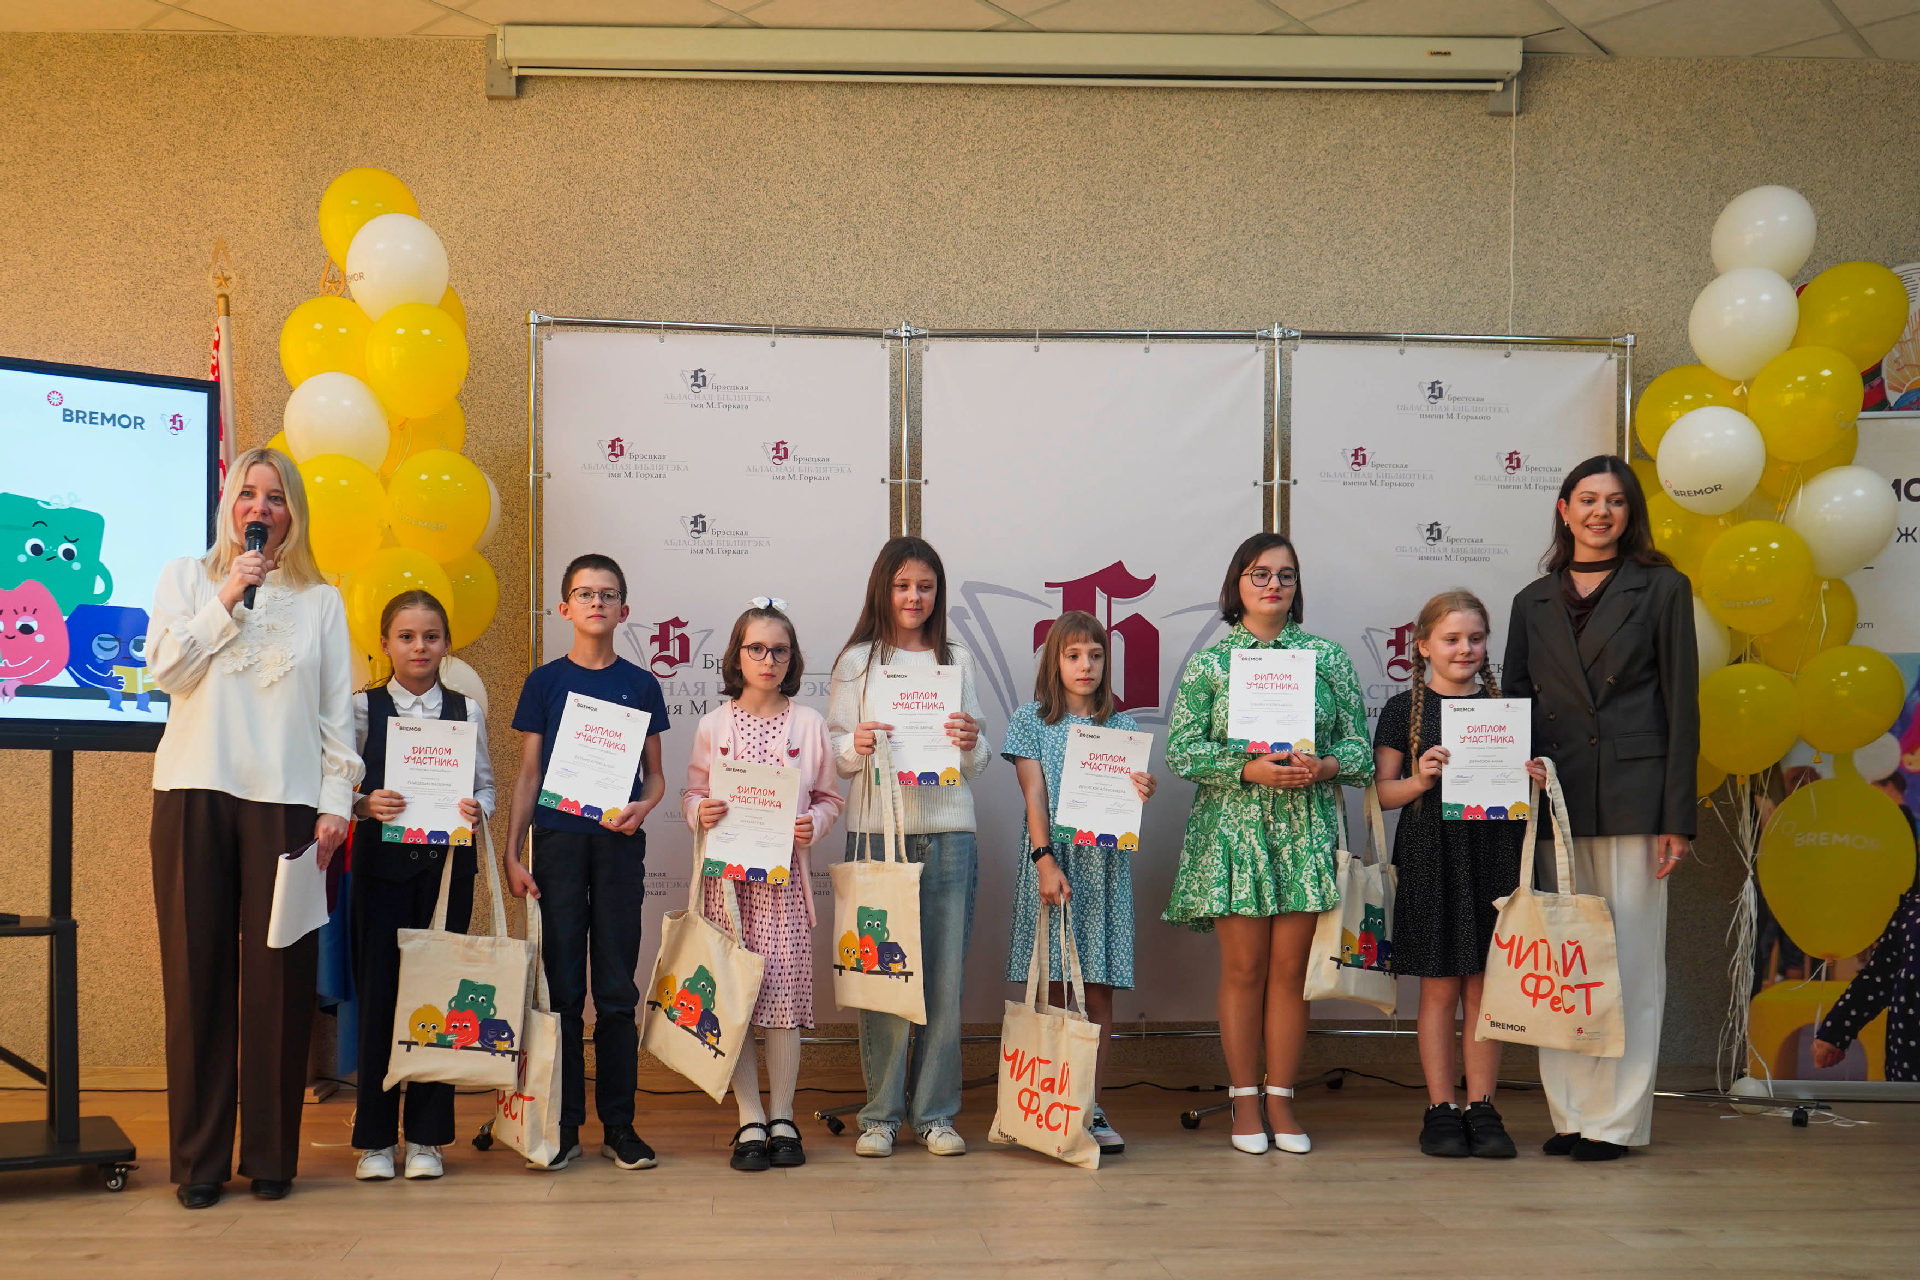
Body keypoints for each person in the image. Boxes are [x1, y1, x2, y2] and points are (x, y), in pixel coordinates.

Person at [147, 446, 360, 1210]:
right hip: (193, 792)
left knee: (280, 983)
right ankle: (199, 1163)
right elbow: (166, 671)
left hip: (287, 804)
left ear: (292, 513)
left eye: (275, 497)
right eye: (248, 494)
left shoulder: (323, 602)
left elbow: (337, 719)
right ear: (229, 506)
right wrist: (229, 594)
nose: (260, 509)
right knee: (195, 978)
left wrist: (336, 804)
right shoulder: (186, 578)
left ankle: (270, 1156)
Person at [1504, 455, 1697, 1161]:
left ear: (1629, 512)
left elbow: (1683, 705)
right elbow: (1516, 702)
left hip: (1636, 798)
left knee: (1631, 962)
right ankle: (1571, 1113)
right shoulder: (1531, 600)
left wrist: (1678, 818)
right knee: (1562, 962)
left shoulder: (1663, 587)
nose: (1600, 513)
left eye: (1614, 501)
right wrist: (1513, 778)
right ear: (1564, 509)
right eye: (1587, 499)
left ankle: (1615, 1121)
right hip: (1556, 799)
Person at [1165, 532, 1373, 1155]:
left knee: (1290, 973)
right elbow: (1181, 751)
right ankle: (1244, 1101)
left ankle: (1281, 1098)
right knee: (1244, 970)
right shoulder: (1211, 663)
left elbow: (1359, 748)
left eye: (1285, 574)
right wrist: (1247, 769)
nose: (1273, 585)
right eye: (1259, 573)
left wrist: (1326, 766)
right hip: (1233, 832)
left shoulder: (1327, 658)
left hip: (1305, 831)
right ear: (1237, 584)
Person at [502, 553, 669, 1172]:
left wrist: (644, 807)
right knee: (565, 990)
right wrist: (512, 852)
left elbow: (656, 777)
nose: (597, 602)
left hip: (618, 844)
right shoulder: (544, 682)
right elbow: (529, 775)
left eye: (608, 594)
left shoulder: (641, 685)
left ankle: (620, 1126)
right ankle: (566, 1123)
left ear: (624, 610)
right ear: (564, 607)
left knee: (618, 990)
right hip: (558, 846)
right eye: (585, 593)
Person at [827, 536, 992, 1158]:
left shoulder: (957, 658)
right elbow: (836, 754)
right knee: (881, 975)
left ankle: (936, 1115)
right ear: (883, 589)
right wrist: (857, 744)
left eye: (925, 586)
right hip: (878, 830)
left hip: (949, 830)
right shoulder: (858, 662)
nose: (913, 597)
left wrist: (970, 740)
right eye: (902, 586)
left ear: (937, 593)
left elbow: (976, 760)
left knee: (944, 981)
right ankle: (880, 1116)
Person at [683, 600, 845, 1171]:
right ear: (737, 656)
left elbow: (829, 798)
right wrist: (699, 811)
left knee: (782, 1000)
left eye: (780, 650)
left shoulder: (809, 723)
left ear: (792, 659)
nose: (768, 659)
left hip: (783, 886)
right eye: (756, 648)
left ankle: (783, 1118)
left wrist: (813, 823)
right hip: (726, 887)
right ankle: (749, 1116)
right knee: (734, 1001)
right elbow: (693, 792)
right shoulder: (714, 724)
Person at [348, 590, 495, 1183]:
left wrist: (477, 809)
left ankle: (428, 1139)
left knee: (440, 997)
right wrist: (363, 803)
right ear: (385, 644)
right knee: (380, 997)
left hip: (446, 874)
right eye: (406, 637)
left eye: (430, 636)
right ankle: (375, 1140)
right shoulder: (362, 708)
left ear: (447, 644)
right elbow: (336, 785)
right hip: (380, 872)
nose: (419, 647)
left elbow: (485, 785)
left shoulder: (466, 710)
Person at [1371, 590, 1523, 1159]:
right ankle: (1440, 1108)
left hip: (1494, 857)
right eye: (1452, 639)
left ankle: (1483, 1107)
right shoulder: (1401, 710)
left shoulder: (1506, 709)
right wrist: (1420, 779)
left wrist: (1534, 775)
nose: (1465, 649)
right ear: (1423, 647)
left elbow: (1521, 793)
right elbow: (1381, 795)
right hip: (1431, 856)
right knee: (1438, 988)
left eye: (1475, 639)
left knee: (1484, 987)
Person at [1001, 610, 1156, 1156]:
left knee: (1098, 990)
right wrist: (1045, 860)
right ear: (1055, 662)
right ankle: (1048, 1106)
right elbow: (1034, 794)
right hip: (1053, 860)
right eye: (1073, 655)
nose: (1085, 665)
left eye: (1095, 655)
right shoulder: (1031, 720)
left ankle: (1089, 1106)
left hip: (1103, 867)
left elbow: (1122, 807)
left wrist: (1140, 790)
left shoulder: (1123, 727)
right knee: (1054, 986)